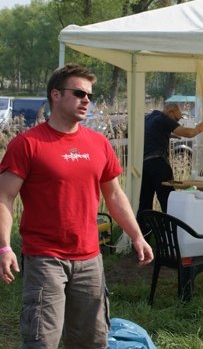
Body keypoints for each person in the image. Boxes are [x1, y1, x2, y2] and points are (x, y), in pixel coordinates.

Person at [0, 64, 154, 348]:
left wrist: (136, 236)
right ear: (56, 95)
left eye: (90, 96)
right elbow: (4, 197)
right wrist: (4, 247)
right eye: (79, 93)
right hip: (45, 258)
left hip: (90, 258)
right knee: (41, 341)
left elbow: (114, 195)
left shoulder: (99, 143)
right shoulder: (27, 144)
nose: (86, 101)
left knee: (92, 341)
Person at [138, 103, 203, 223]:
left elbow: (153, 133)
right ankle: (171, 230)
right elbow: (187, 133)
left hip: (144, 165)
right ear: (170, 111)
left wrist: (169, 135)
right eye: (176, 119)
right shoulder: (164, 118)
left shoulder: (148, 118)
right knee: (168, 202)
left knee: (145, 203)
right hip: (159, 164)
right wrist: (198, 129)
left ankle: (143, 232)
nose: (176, 122)